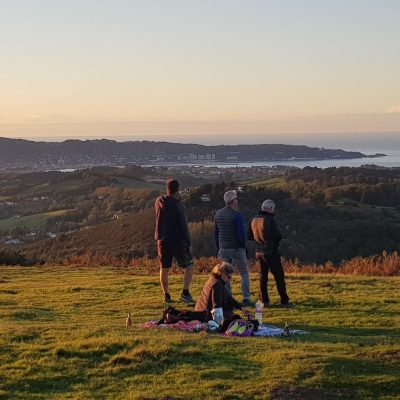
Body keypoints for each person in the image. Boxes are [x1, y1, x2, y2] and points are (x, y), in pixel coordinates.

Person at [155, 178, 194, 303]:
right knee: (189, 265)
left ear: (167, 189)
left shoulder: (158, 202)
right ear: (177, 190)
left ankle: (166, 295)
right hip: (177, 241)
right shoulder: (178, 206)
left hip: (162, 240)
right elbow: (183, 226)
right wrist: (189, 243)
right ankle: (185, 292)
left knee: (164, 268)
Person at [248, 199, 292, 307]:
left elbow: (250, 236)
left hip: (258, 251)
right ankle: (284, 301)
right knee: (279, 277)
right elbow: (277, 236)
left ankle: (264, 300)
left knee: (263, 277)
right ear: (270, 209)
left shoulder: (254, 219)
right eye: (273, 208)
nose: (274, 211)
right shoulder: (270, 220)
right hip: (271, 252)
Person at [214, 190, 253, 306]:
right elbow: (241, 234)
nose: (238, 201)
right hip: (236, 248)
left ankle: (227, 297)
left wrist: (219, 247)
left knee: (225, 274)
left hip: (223, 248)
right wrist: (244, 246)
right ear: (233, 201)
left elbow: (216, 233)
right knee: (244, 273)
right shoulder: (237, 215)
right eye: (236, 199)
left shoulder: (218, 214)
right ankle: (246, 298)